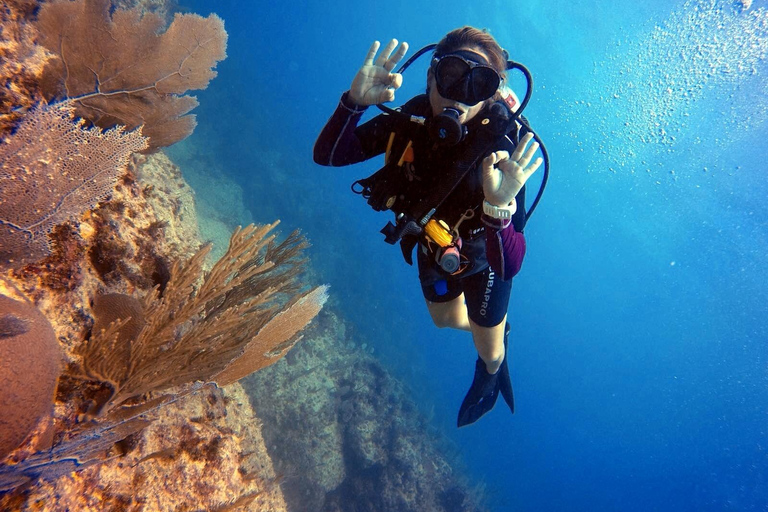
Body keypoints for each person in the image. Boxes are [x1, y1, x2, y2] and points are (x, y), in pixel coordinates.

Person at [314, 27, 543, 427]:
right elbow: (328, 156)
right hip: (433, 249)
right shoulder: (410, 123)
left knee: (489, 351)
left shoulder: (505, 149)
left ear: (492, 95)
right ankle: (489, 327)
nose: (458, 93)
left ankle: (491, 368)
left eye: (479, 83)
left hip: (485, 261)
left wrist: (498, 207)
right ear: (430, 76)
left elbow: (508, 266)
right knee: (443, 321)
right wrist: (353, 104)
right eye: (453, 74)